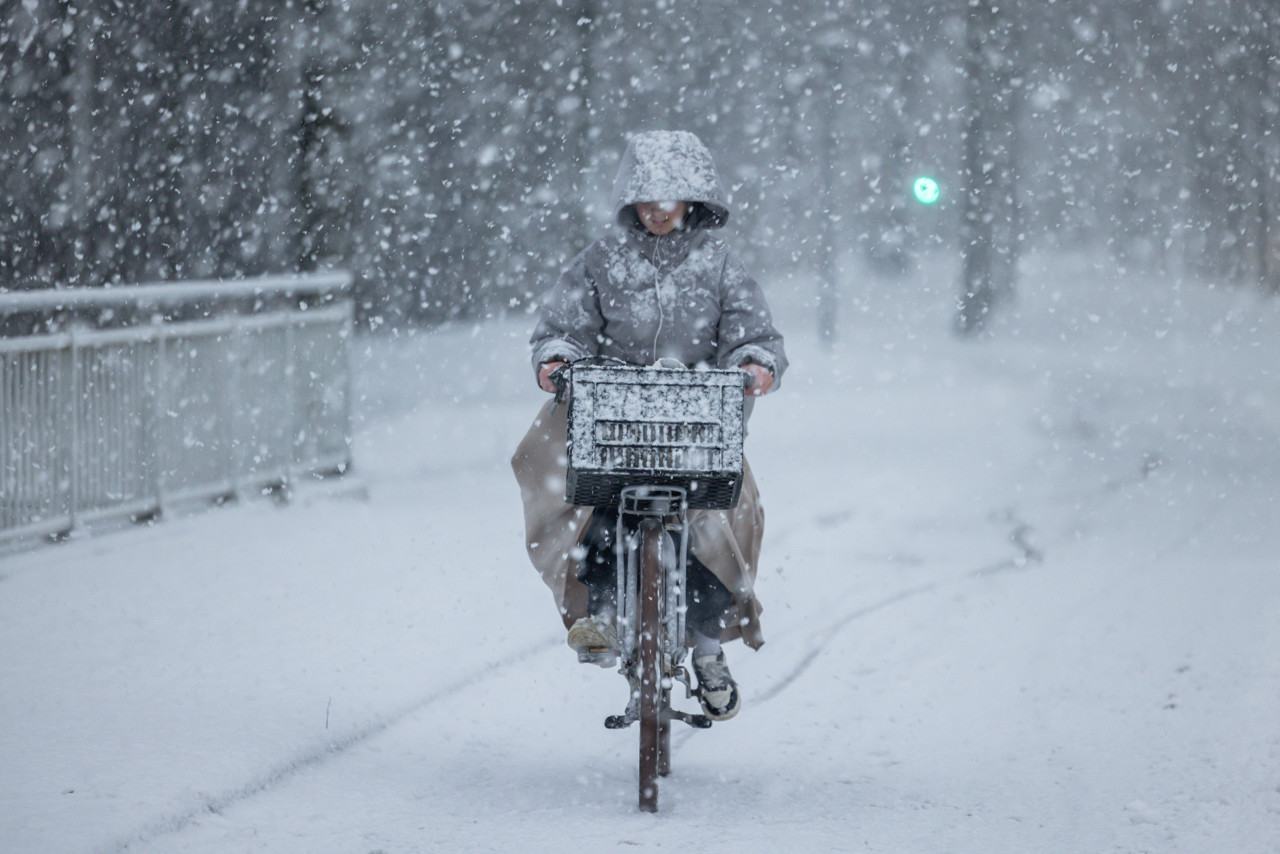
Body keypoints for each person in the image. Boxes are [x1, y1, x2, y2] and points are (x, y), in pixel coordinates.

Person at [511, 130, 787, 721]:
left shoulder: (720, 265)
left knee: (722, 518)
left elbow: (754, 335)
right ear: (630, 201)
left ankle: (708, 648)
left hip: (698, 428)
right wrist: (557, 358)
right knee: (590, 503)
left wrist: (756, 365)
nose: (658, 211)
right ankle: (602, 615)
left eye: (670, 199)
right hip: (613, 424)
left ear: (694, 200)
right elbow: (563, 328)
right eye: (646, 200)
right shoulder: (600, 261)